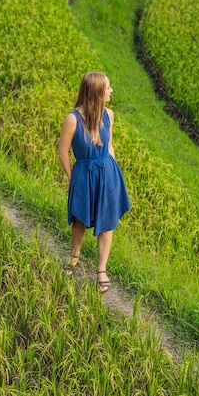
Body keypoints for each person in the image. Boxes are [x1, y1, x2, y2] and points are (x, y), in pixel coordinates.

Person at [58, 72, 131, 293]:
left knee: (107, 223)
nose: (110, 91)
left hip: (107, 172)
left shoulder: (109, 114)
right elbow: (62, 151)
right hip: (83, 173)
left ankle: (101, 269)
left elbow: (109, 146)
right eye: (107, 87)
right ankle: (75, 257)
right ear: (97, 91)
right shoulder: (73, 118)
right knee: (79, 219)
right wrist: (71, 178)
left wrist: (114, 175)